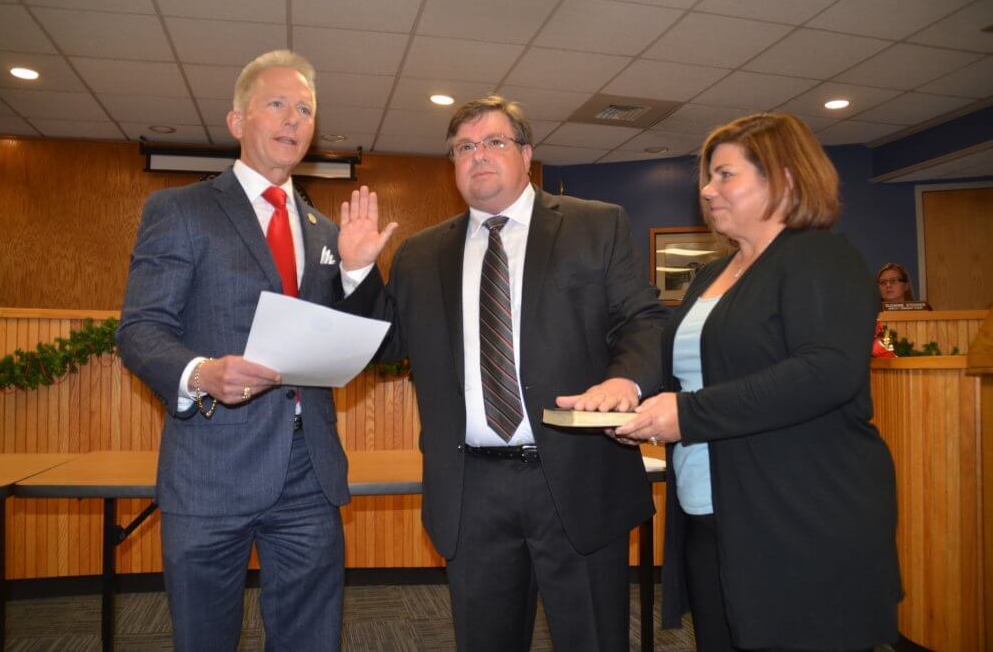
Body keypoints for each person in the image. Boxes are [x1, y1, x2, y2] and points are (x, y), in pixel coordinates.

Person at [339, 95, 669, 650]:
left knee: (592, 637)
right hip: (472, 489)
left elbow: (643, 318)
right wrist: (357, 272)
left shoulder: (595, 226)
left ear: (526, 153)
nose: (478, 156)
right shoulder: (421, 254)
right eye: (464, 147)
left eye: (494, 142)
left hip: (577, 474)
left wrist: (625, 381)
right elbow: (386, 346)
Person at [117, 49, 394, 651]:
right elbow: (140, 329)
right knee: (206, 637)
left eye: (305, 110)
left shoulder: (326, 230)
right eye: (277, 104)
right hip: (210, 465)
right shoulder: (181, 210)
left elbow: (366, 340)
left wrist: (355, 272)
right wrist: (200, 372)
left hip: (308, 468)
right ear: (238, 121)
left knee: (310, 637)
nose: (293, 120)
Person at [613, 113, 902, 650]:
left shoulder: (819, 257)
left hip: (797, 514)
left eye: (725, 175)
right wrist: (623, 389)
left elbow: (826, 372)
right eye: (709, 176)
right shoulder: (711, 273)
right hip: (711, 508)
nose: (707, 188)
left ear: (786, 179)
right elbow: (683, 362)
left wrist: (689, 414)